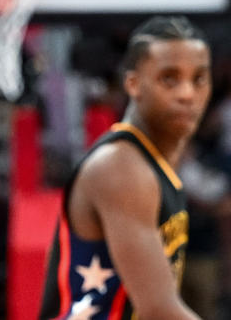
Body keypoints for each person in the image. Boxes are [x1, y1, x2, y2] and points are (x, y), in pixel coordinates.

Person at [39, 16, 212, 320]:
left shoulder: (155, 164)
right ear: (133, 83)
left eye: (199, 79)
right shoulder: (120, 167)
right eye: (169, 78)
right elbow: (159, 310)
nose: (187, 94)